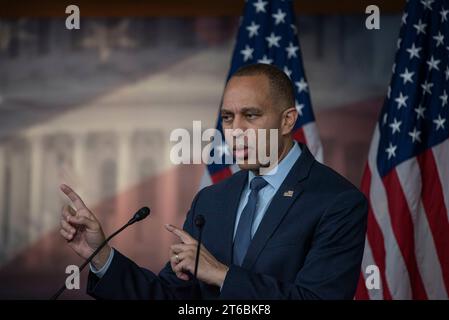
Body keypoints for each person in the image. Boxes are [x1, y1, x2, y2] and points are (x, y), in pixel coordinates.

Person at [59, 63, 368, 299]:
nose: (235, 131)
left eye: (251, 115)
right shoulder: (211, 200)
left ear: (287, 120)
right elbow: (169, 295)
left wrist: (221, 274)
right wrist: (100, 255)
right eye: (228, 118)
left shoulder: (337, 201)